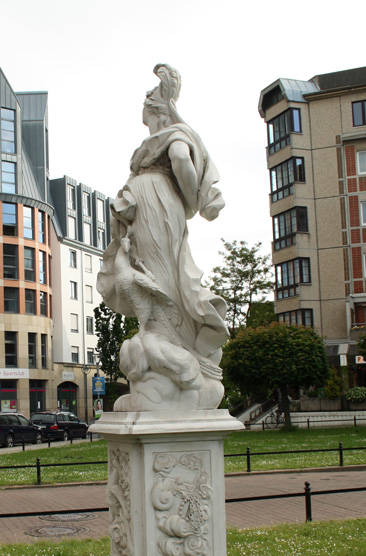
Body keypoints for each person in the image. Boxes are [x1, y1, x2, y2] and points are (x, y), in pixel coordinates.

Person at [95, 64, 228, 412]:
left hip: (158, 208)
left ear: (157, 110)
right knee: (149, 276)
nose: (146, 118)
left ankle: (176, 346)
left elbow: (183, 161)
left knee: (161, 276)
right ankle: (164, 343)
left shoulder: (175, 133)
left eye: (147, 110)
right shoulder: (158, 141)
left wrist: (190, 202)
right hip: (147, 208)